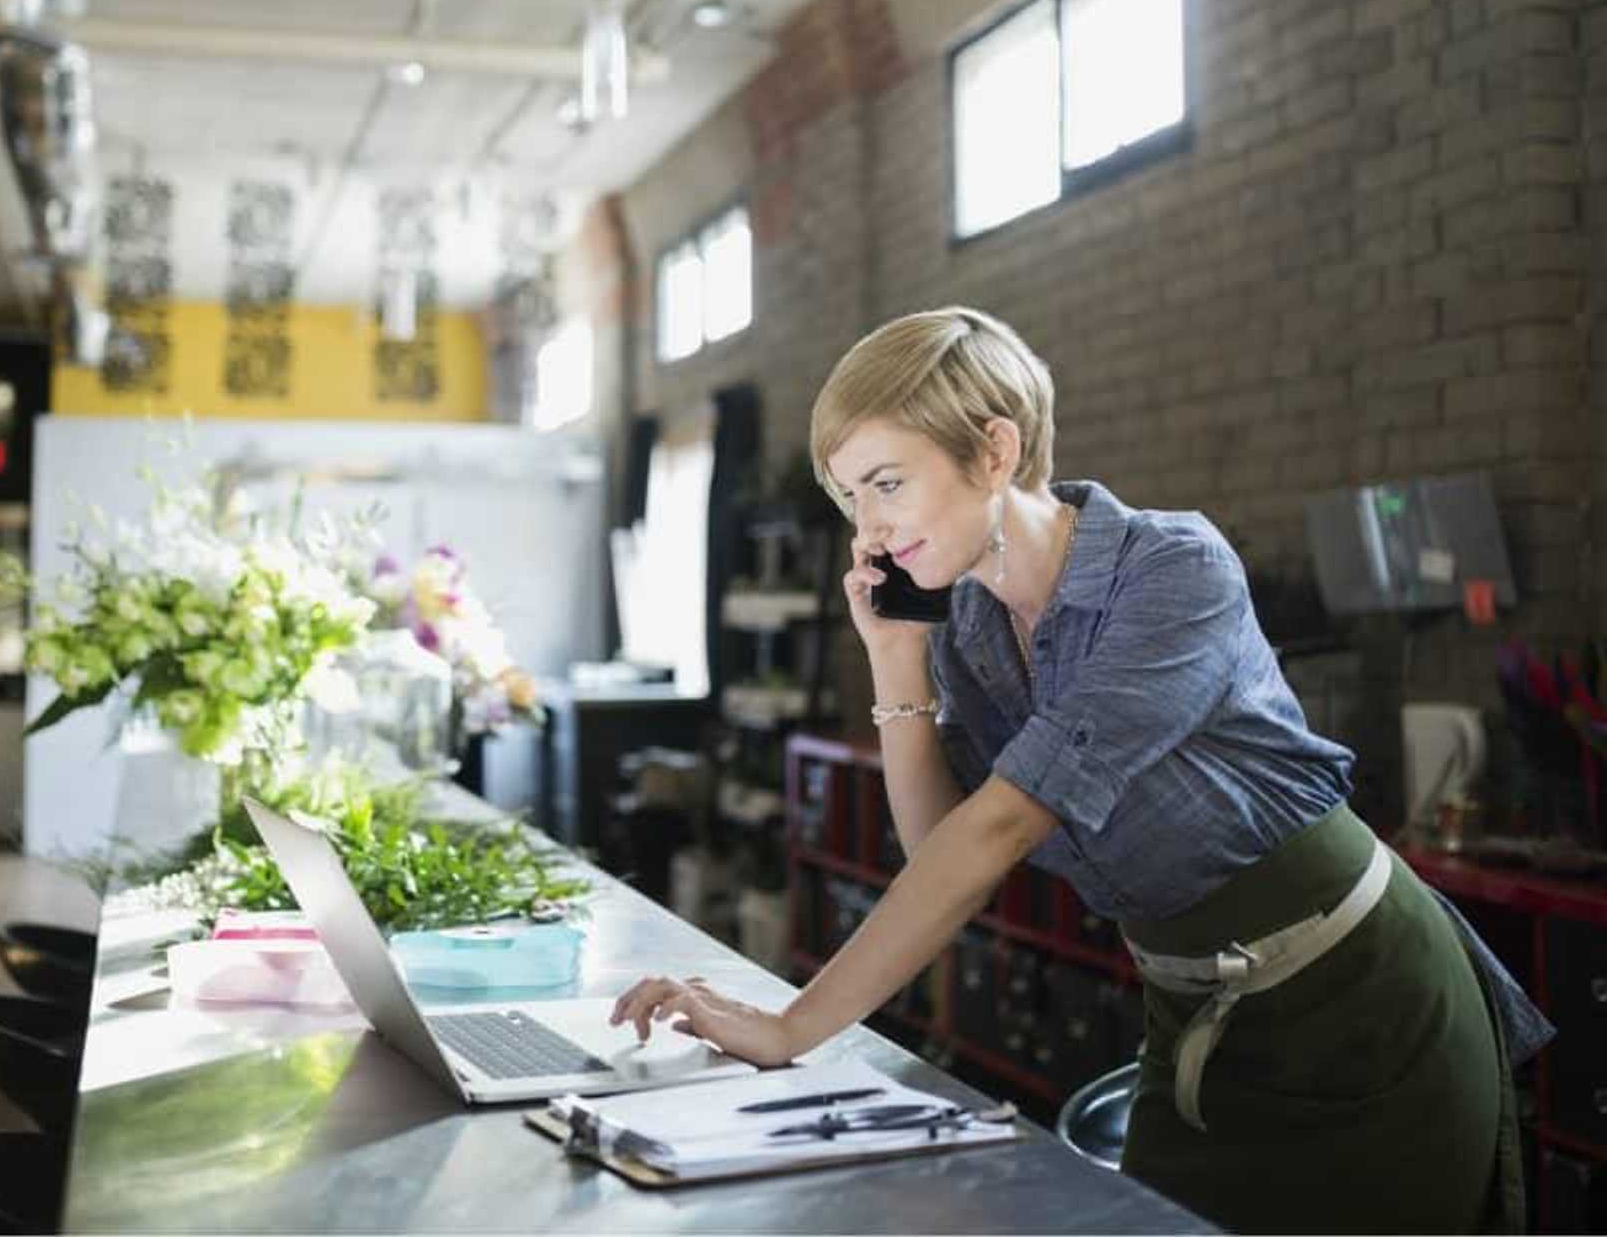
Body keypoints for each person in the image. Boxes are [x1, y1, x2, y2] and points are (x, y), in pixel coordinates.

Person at [610, 307, 1551, 1234]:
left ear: (994, 451)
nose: (870, 529)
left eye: (887, 483)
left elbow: (1000, 828)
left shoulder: (1173, 571)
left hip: (1360, 1004)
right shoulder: (970, 627)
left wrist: (789, 1027)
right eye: (851, 497)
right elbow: (941, 854)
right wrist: (895, 660)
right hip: (1193, 1016)